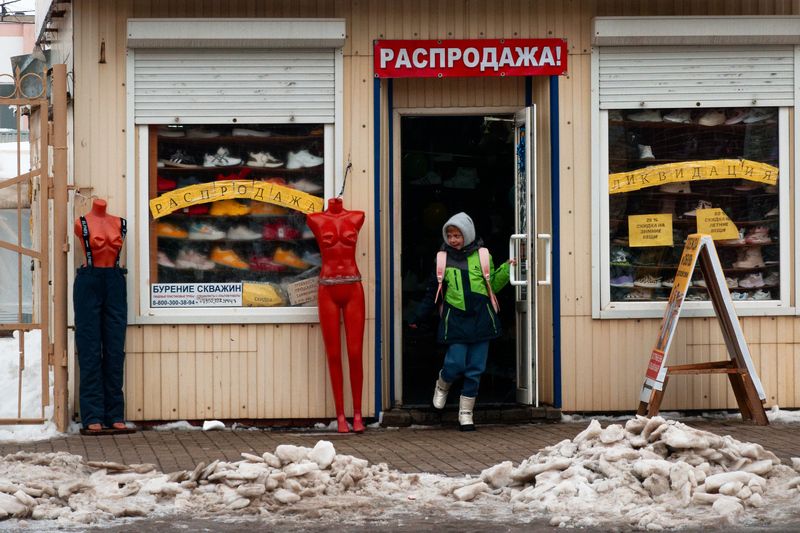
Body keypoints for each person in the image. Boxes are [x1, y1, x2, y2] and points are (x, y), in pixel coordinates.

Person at [409, 212, 514, 431]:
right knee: (455, 362)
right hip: (456, 317)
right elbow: (432, 292)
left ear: (467, 235)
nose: (454, 239)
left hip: (481, 318)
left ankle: (466, 414)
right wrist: (418, 316)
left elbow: (492, 286)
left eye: (457, 235)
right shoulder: (442, 258)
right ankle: (443, 383)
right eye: (450, 235)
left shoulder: (483, 255)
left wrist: (507, 269)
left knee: (475, 368)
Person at [306, 197, 366, 433]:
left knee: (354, 352)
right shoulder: (315, 219)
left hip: (353, 286)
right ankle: (341, 415)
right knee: (333, 354)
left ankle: (358, 414)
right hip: (327, 287)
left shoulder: (357, 217)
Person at [73, 198, 129, 433]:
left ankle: (114, 413)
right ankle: (92, 414)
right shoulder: (81, 222)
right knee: (90, 348)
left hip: (115, 280)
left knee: (115, 348)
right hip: (90, 281)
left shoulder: (120, 223)